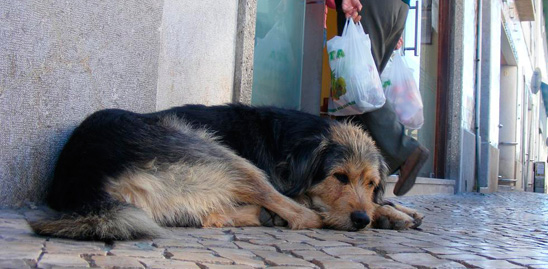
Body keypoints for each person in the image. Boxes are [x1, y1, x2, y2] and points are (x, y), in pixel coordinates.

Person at [332, 0, 429, 196]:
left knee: (358, 92)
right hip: (397, 8)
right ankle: (362, 189)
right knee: (352, 103)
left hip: (370, 5)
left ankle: (405, 149)